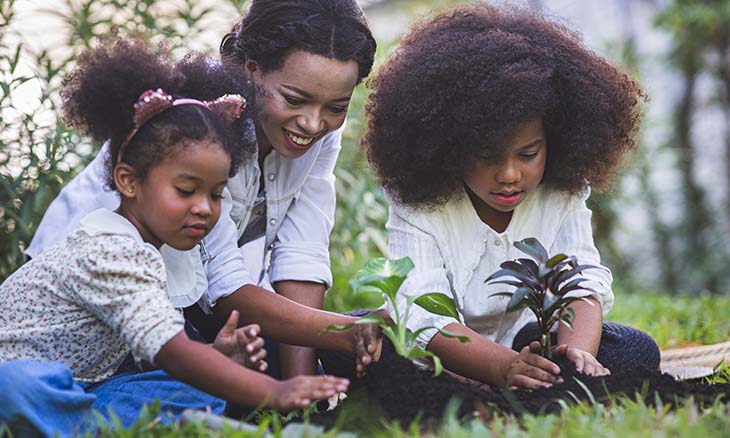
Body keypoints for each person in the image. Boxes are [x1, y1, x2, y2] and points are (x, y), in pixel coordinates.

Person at [0, 38, 352, 437]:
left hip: (90, 384)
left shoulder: (154, 252)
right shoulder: (109, 251)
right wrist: (275, 391)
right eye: (186, 191)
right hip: (26, 380)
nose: (204, 208)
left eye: (217, 194)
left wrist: (217, 358)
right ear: (128, 181)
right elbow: (173, 350)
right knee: (17, 387)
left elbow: (154, 355)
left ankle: (100, 425)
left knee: (193, 384)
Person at [26, 0, 378, 379]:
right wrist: (339, 333)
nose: (313, 123)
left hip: (185, 295)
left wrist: (304, 387)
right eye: (294, 99)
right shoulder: (200, 122)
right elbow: (224, 287)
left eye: (337, 106)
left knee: (281, 356)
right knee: (213, 375)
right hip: (96, 311)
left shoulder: (318, 124)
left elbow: (302, 250)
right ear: (252, 69)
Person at [358, 4, 661, 390]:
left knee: (635, 350)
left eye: (528, 154)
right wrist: (504, 367)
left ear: (555, 141)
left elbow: (580, 280)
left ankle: (535, 378)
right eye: (486, 156)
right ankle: (495, 381)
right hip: (442, 352)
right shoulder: (419, 200)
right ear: (449, 146)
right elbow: (422, 311)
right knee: (362, 340)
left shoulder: (560, 188)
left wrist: (576, 355)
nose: (509, 175)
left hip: (528, 340)